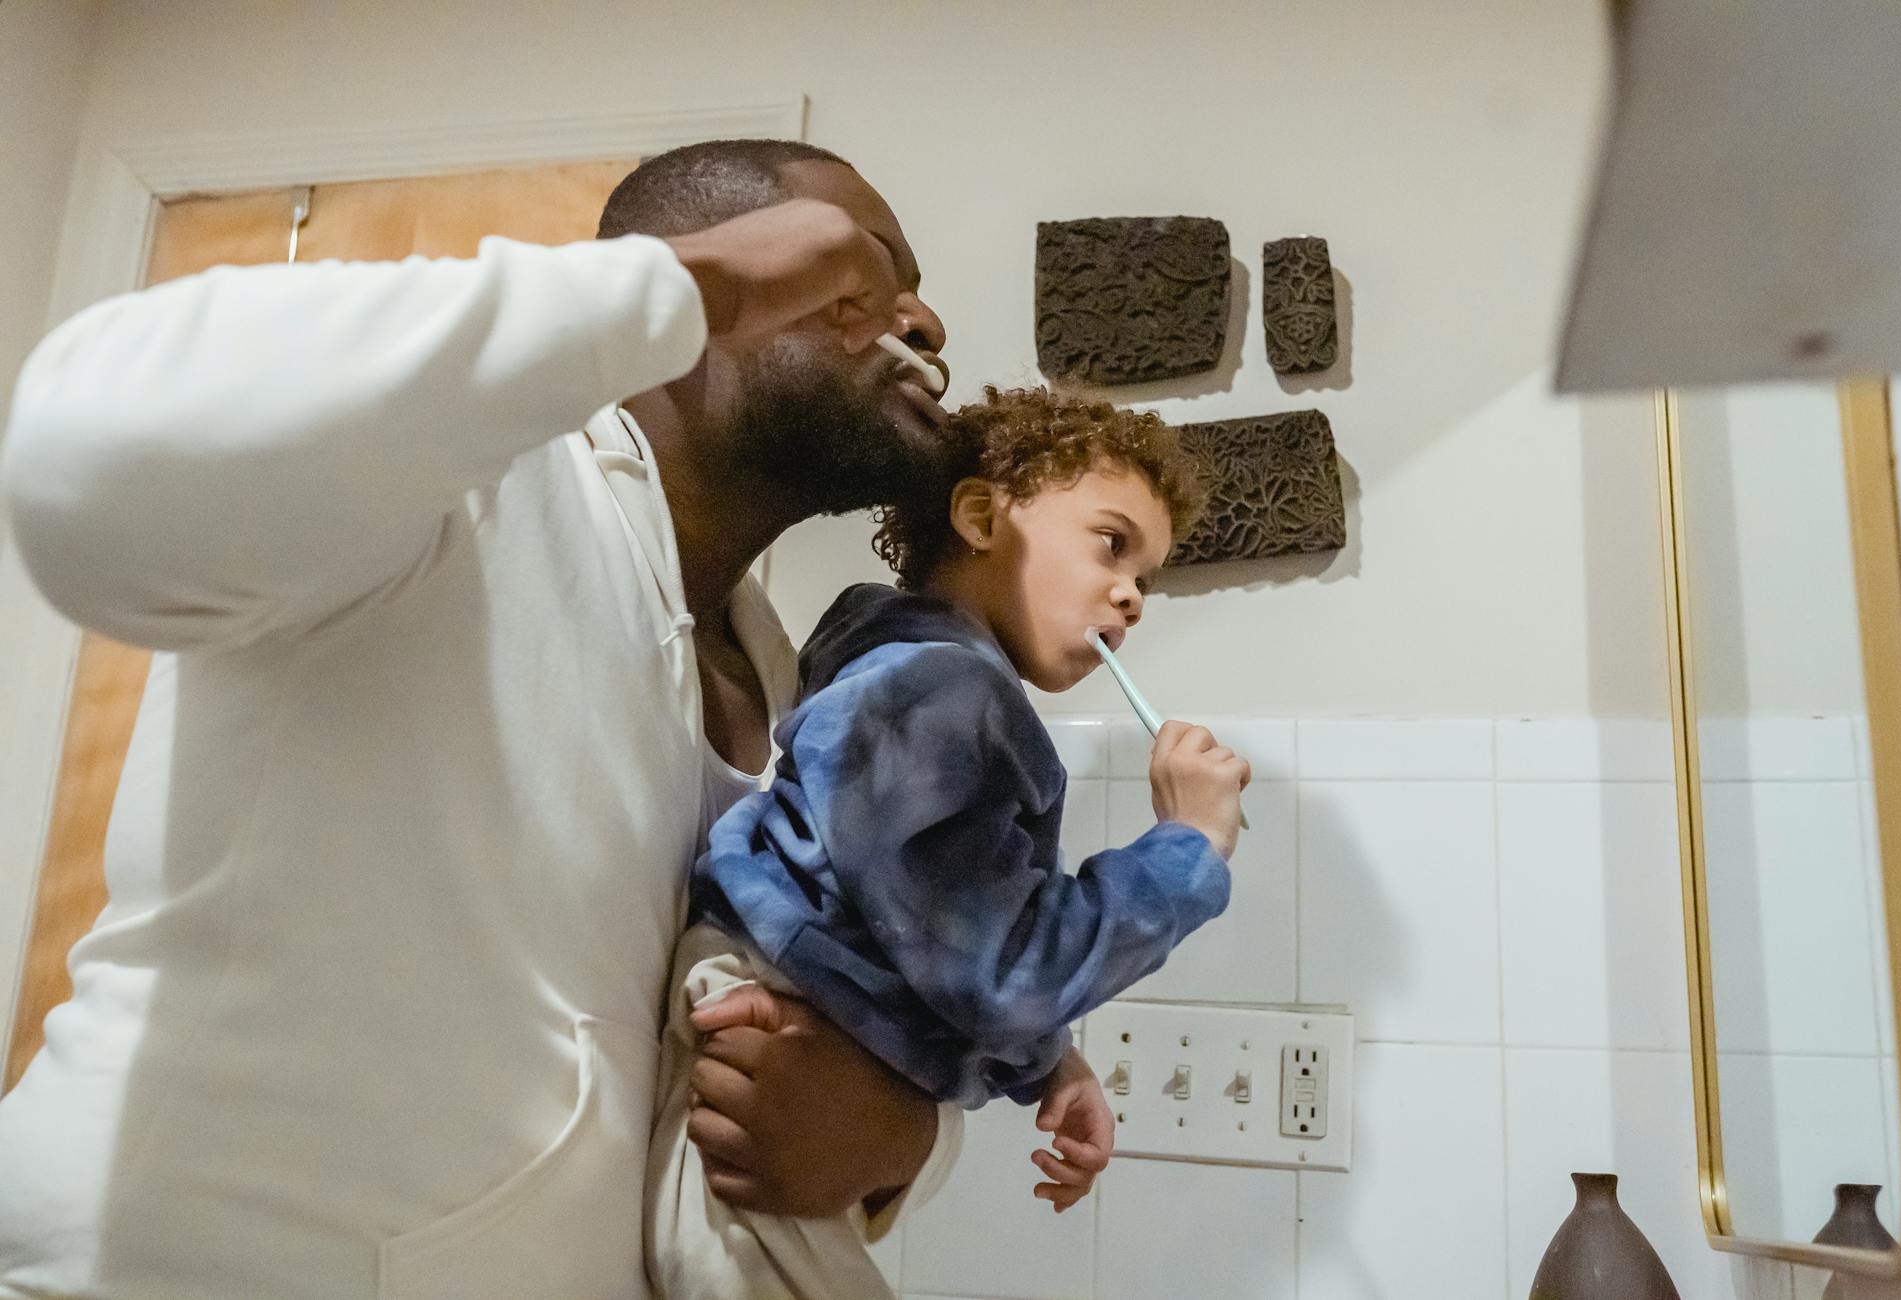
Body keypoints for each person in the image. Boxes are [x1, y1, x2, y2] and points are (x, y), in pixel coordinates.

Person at [0, 139, 964, 1299]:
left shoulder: (813, 702)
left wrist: (902, 1140)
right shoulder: (452, 487)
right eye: (877, 262)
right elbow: (86, 466)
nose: (930, 321)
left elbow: (867, 1014)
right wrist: (687, 287)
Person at [645, 387, 1251, 1299]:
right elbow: (1000, 974)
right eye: (1111, 542)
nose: (1131, 594)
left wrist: (1049, 1061)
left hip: (793, 1027)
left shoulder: (914, 678)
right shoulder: (940, 693)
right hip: (768, 1040)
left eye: (1147, 581)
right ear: (978, 517)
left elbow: (942, 938)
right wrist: (1187, 848)